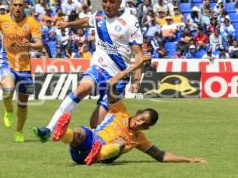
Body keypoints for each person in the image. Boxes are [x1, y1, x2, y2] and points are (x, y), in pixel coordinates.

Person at [33, 0, 144, 142]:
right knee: (81, 89)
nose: (107, 5)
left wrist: (137, 80)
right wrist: (67, 24)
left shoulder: (130, 21)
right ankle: (49, 128)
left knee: (95, 123)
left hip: (118, 77)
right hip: (99, 68)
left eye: (112, 1)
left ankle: (97, 144)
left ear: (119, 2)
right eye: (105, 1)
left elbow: (139, 54)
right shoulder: (98, 17)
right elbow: (86, 21)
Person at [52, 55, 206, 165]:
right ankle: (62, 133)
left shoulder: (139, 138)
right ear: (138, 113)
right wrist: (133, 68)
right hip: (86, 146)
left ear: (147, 127)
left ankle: (98, 154)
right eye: (141, 118)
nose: (139, 123)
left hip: (103, 154)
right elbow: (111, 83)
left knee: (120, 143)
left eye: (143, 123)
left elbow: (160, 155)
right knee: (80, 132)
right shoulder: (119, 110)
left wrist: (188, 159)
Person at [0, 0, 43, 142]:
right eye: (15, 5)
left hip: (25, 68)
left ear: (25, 6)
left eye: (20, 5)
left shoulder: (32, 23)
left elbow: (39, 45)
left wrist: (27, 45)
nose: (17, 8)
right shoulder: (1, 19)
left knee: (23, 105)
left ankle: (19, 132)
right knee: (8, 89)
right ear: (10, 5)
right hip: (7, 62)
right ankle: (8, 109)